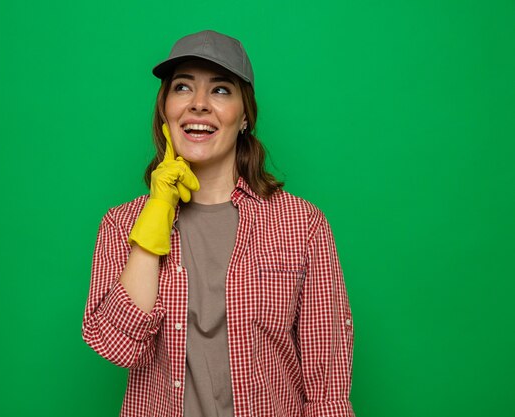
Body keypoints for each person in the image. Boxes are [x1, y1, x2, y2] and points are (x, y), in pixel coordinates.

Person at [82, 30, 355, 417]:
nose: (198, 105)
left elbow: (327, 388)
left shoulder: (302, 224)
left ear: (245, 117)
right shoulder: (121, 223)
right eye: (182, 88)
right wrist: (156, 215)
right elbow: (116, 346)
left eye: (221, 90)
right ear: (165, 111)